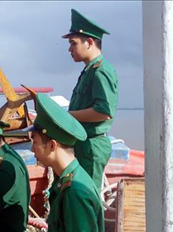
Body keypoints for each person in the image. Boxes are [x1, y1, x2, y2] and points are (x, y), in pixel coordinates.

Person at [1, 93, 104, 232]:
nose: (31, 150)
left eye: (35, 143)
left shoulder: (75, 191)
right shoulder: (64, 182)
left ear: (52, 145)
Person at [63, 9, 118, 191]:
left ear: (89, 42)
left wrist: (67, 116)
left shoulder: (101, 71)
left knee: (88, 200)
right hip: (83, 144)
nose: (69, 49)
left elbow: (104, 112)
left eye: (73, 43)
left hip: (92, 147)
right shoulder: (89, 71)